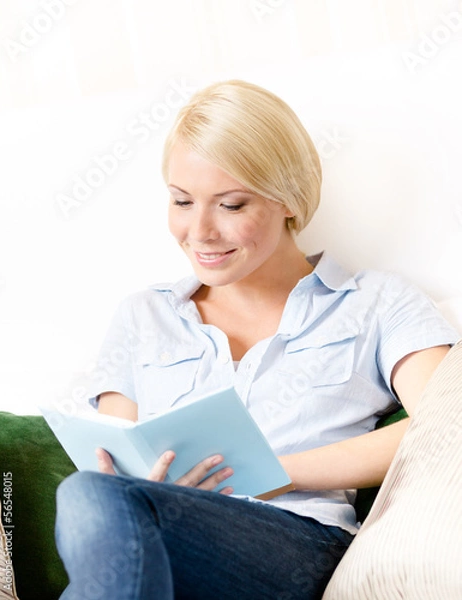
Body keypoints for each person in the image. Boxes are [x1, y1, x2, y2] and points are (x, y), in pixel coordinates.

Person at [55, 80, 459, 600]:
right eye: (181, 201)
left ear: (289, 200)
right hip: (159, 541)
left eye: (230, 205)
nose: (198, 231)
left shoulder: (377, 302)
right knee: (92, 494)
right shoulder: (143, 315)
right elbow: (115, 456)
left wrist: (272, 473)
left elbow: (443, 430)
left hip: (296, 545)